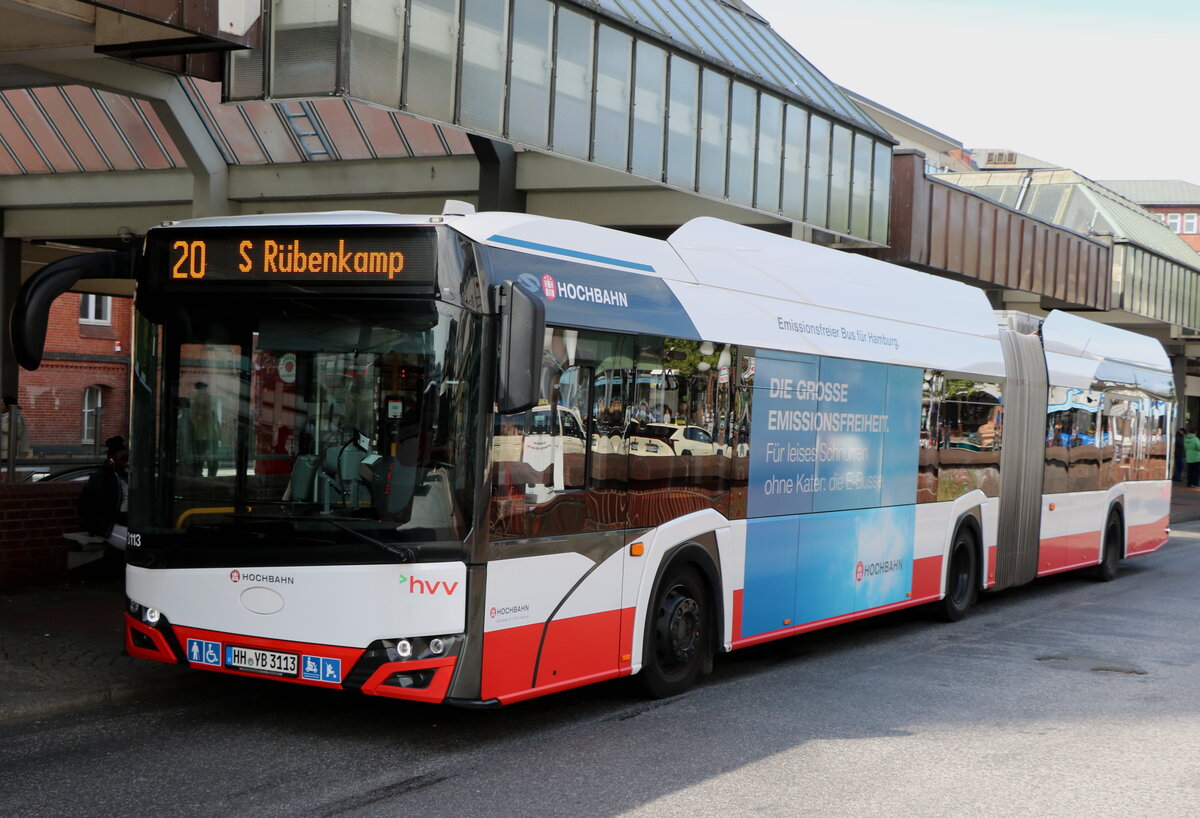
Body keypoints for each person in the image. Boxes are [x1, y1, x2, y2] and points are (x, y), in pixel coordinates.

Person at [79, 436, 129, 549]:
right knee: (133, 543)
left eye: (127, 459)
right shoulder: (101, 478)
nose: (126, 463)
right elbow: (98, 507)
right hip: (106, 526)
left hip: (121, 522)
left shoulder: (124, 476)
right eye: (123, 459)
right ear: (111, 458)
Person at [190, 381, 219, 476]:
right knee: (201, 457)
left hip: (207, 435)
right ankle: (201, 473)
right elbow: (194, 418)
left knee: (210, 458)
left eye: (204, 390)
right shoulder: (196, 402)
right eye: (201, 390)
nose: (203, 392)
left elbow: (214, 420)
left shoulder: (206, 401)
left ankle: (208, 474)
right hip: (201, 435)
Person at [0, 394, 28, 463]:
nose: (0, 406)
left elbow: (12, 429)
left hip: (7, 452)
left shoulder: (15, 417)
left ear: (9, 406)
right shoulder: (4, 416)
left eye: (2, 404)